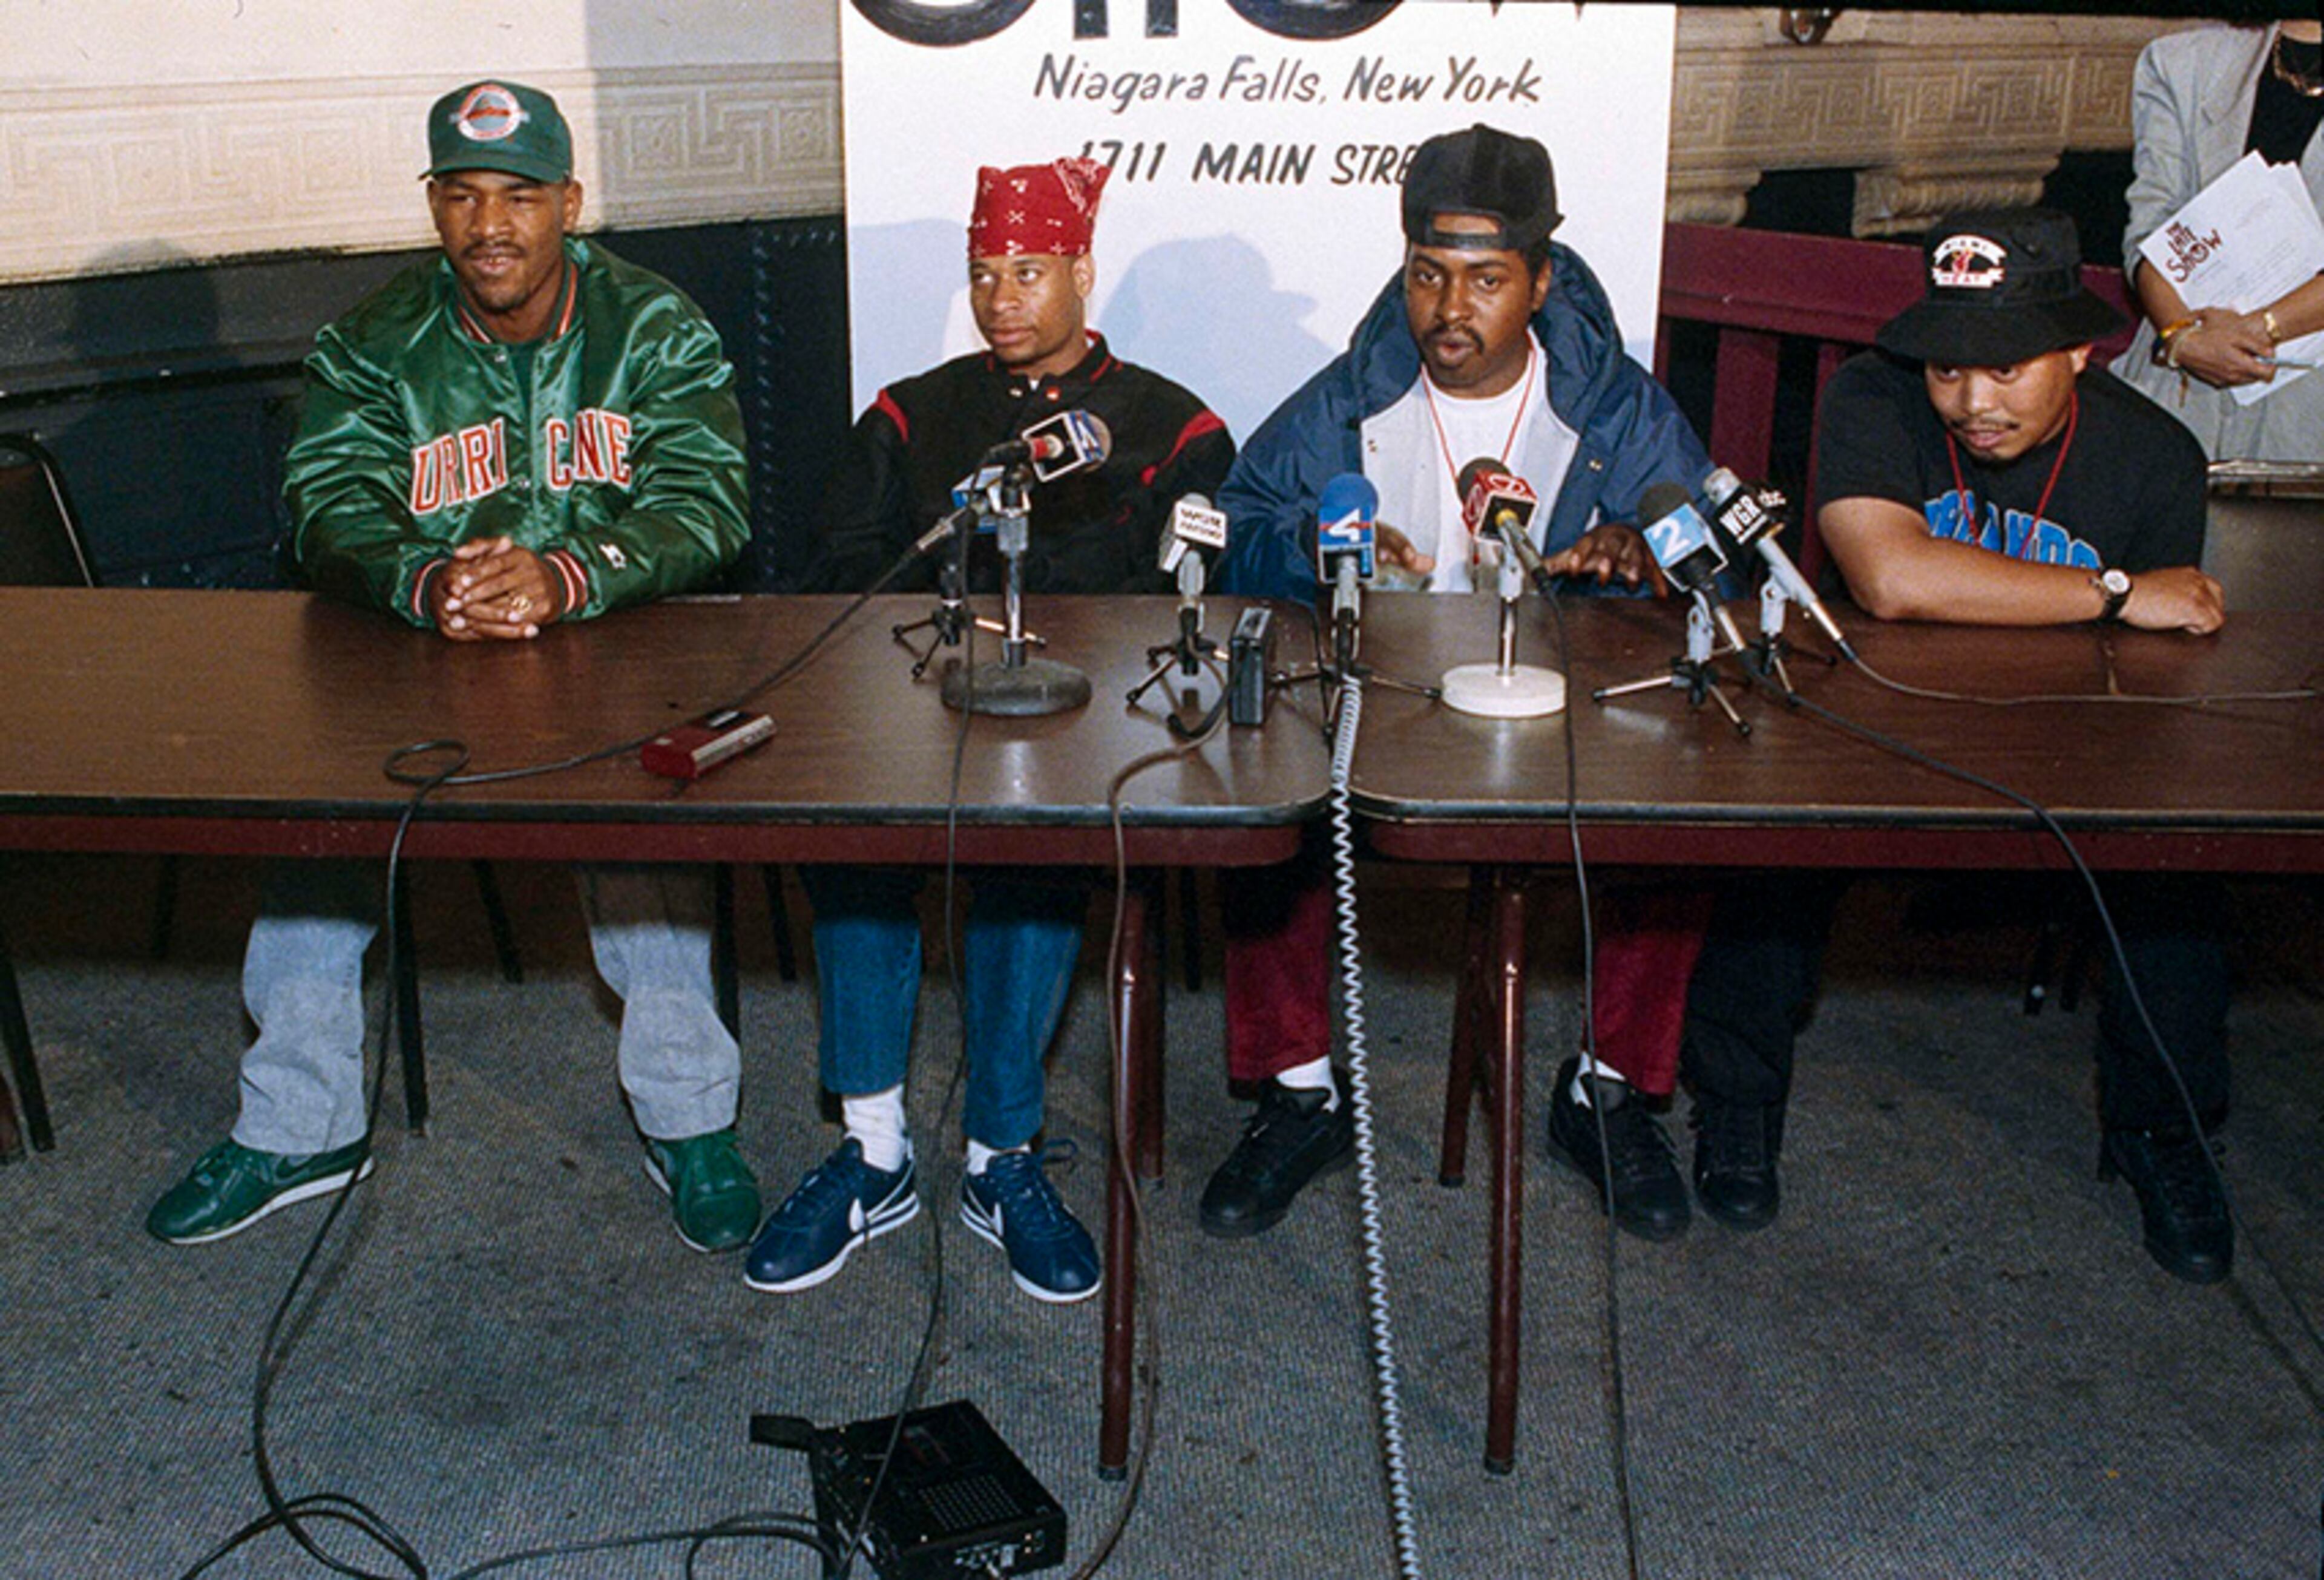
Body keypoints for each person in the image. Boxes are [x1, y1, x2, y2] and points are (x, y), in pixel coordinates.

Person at [144, 80, 762, 1257]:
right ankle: (299, 1125)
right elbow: (327, 504)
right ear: (433, 205)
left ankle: (689, 1119)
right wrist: (427, 582)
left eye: (520, 196)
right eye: (464, 195)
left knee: (639, 830)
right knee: (318, 822)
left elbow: (707, 500)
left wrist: (572, 572)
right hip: (421, 649)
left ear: (568, 203)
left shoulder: (656, 326)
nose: (492, 225)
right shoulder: (373, 340)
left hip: (608, 641)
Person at [1682, 208, 2236, 1285]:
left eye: (2009, 369)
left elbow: (2173, 655)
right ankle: (1738, 1104)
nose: (1974, 402)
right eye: (1950, 368)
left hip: (2073, 730)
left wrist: (2120, 626)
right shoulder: (1873, 396)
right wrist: (2114, 592)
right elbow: (1892, 576)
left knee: (2178, 883)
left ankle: (2163, 1134)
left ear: (2082, 347)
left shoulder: (2157, 454)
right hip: (1870, 711)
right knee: (1765, 850)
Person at [1211, 123, 1715, 1244]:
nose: (1451, 309)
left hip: (1560, 711)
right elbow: (1243, 517)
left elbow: (1706, 536)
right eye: (1429, 275)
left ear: (1540, 280)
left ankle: (1608, 1090)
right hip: (1382, 704)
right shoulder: (1353, 394)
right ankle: (1299, 1092)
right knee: (1262, 795)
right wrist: (1318, 551)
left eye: (1487, 280)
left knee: (1679, 821)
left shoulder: (1614, 406)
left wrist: (1644, 548)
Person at [747, 157, 1234, 1303]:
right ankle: (872, 1150)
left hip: (1078, 719)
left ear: (1081, 272)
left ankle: (999, 1157)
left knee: (1031, 856)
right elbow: (843, 569)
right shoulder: (915, 410)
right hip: (912, 701)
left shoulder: (1171, 422)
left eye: (1028, 271)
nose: (1002, 297)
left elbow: (1177, 590)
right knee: (852, 842)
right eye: (983, 274)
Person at [2115, 19, 2324, 461]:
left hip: (2308, 416)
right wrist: (2181, 336)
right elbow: (2151, 228)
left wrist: (2260, 329)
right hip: (2177, 396)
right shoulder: (2181, 62)